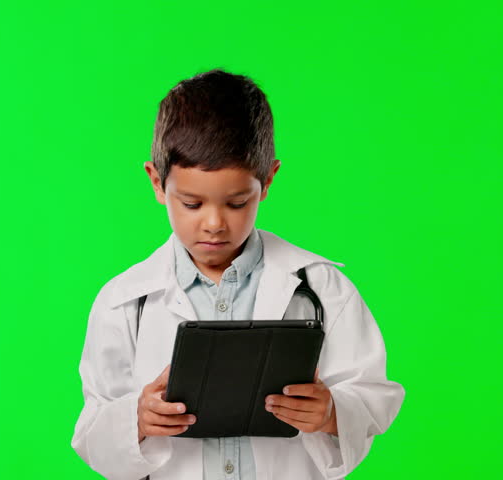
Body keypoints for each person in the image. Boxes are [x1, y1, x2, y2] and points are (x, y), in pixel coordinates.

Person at [71, 68, 404, 480]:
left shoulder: (321, 288)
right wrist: (135, 419)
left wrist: (333, 412)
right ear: (157, 183)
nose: (214, 223)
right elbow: (91, 434)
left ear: (267, 181)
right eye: (192, 204)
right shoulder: (124, 302)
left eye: (236, 202)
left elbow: (374, 394)